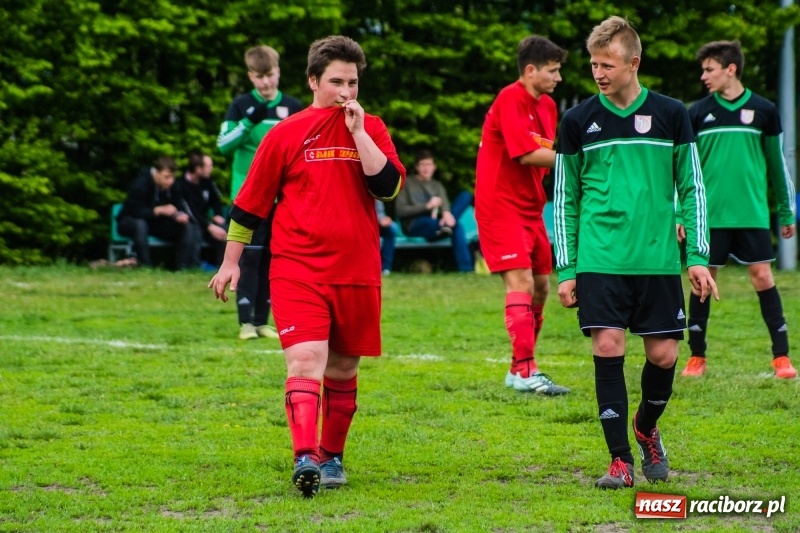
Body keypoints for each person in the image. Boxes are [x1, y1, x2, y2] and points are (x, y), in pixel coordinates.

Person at [209, 35, 405, 498]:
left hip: (357, 270)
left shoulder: (372, 128)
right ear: (313, 81)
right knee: (305, 360)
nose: (346, 92)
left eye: (352, 83)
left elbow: (389, 187)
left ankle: (332, 456)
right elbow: (250, 204)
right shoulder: (285, 133)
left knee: (342, 368)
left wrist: (359, 134)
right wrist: (231, 262)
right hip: (298, 267)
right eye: (336, 82)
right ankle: (305, 457)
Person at [554, 16, 718, 489]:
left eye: (607, 65)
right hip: (600, 258)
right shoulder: (577, 121)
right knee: (608, 346)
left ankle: (646, 428)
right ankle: (620, 461)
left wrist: (697, 257)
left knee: (664, 356)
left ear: (633, 63)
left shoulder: (671, 114)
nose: (598, 74)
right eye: (593, 65)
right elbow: (565, 198)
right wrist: (567, 267)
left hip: (657, 260)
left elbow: (693, 188)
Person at [680, 40, 797, 379]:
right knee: (702, 282)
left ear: (730, 69)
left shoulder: (764, 110)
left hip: (751, 215)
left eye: (710, 69)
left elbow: (777, 165)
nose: (704, 76)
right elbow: (683, 169)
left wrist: (786, 211)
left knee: (762, 277)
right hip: (708, 217)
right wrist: (680, 214)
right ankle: (697, 357)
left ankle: (782, 358)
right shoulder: (697, 113)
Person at [474, 35, 570, 395]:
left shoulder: (548, 106)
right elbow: (527, 154)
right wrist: (579, 161)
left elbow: (546, 159)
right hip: (500, 206)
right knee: (522, 284)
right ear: (530, 70)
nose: (558, 78)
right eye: (553, 70)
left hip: (531, 208)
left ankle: (519, 370)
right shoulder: (510, 98)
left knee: (542, 287)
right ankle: (528, 369)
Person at [217, 45, 304, 341]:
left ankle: (262, 321)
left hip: (283, 197)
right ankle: (245, 323)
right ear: (250, 77)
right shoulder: (241, 106)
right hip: (248, 196)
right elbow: (223, 145)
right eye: (259, 77)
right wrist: (248, 122)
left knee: (273, 258)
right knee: (249, 259)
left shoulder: (293, 106)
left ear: (278, 72)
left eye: (270, 75)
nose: (265, 82)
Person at [395, 150, 474, 272]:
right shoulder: (407, 183)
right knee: (453, 226)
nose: (426, 168)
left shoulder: (437, 185)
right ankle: (465, 266)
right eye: (423, 165)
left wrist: (446, 213)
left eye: (429, 164)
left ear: (434, 167)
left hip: (436, 224)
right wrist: (427, 206)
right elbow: (400, 210)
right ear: (417, 167)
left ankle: (466, 270)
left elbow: (445, 204)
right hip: (414, 224)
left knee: (465, 197)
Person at [117, 156, 201, 270]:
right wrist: (158, 210)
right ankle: (145, 266)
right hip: (129, 221)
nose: (170, 181)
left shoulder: (172, 185)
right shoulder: (140, 184)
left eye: (172, 177)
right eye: (167, 177)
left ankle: (182, 267)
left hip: (154, 223)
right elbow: (135, 211)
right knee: (140, 224)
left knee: (187, 226)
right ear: (156, 172)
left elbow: (178, 204)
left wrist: (179, 215)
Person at [177, 151, 227, 267]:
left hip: (204, 222)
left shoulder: (207, 181)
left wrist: (218, 214)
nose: (212, 169)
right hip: (191, 222)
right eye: (209, 166)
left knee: (224, 230)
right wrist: (209, 226)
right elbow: (190, 212)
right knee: (195, 230)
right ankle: (191, 266)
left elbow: (216, 199)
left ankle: (223, 266)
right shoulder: (181, 185)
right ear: (198, 169)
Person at [376, 199, 396, 275]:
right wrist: (379, 219)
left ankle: (385, 267)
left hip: (377, 223)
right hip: (362, 224)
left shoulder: (376, 196)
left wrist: (383, 219)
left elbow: (380, 212)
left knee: (391, 230)